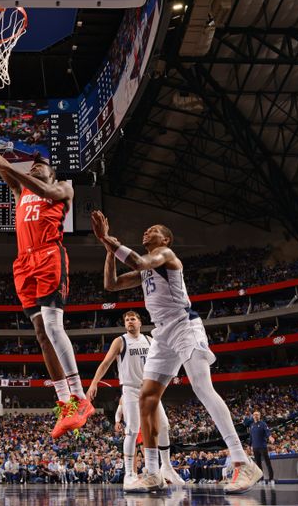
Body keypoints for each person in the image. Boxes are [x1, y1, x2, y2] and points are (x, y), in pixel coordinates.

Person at [90, 211, 262, 493]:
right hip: (162, 333)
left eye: (153, 229)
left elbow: (142, 260)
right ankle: (154, 472)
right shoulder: (145, 270)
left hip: (185, 326)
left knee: (202, 388)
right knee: (146, 398)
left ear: (165, 238)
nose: (146, 231)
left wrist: (106, 239)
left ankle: (243, 462)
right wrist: (108, 249)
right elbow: (111, 284)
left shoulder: (166, 255)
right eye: (146, 229)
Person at [0, 106, 94, 438]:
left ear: (51, 173)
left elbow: (46, 191)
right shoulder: (20, 192)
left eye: (41, 166)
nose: (35, 168)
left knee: (53, 325)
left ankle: (80, 396)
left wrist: (10, 166)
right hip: (23, 262)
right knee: (40, 334)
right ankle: (64, 403)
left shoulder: (62, 189)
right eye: (31, 166)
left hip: (50, 255)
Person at [87, 310, 184, 487]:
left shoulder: (149, 340)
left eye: (133, 319)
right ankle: (129, 474)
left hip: (150, 388)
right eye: (126, 320)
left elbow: (162, 361)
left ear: (140, 322)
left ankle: (167, 468)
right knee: (132, 429)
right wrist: (94, 383)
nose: (129, 321)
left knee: (163, 425)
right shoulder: (120, 341)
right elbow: (106, 363)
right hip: (131, 389)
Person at [249, 411, 275, 485]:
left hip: (263, 447)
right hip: (255, 448)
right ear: (253, 416)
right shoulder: (251, 425)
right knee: (258, 464)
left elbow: (267, 432)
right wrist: (249, 445)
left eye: (257, 414)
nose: (256, 416)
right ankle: (261, 479)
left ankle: (271, 479)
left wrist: (270, 437)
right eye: (254, 415)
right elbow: (251, 437)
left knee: (267, 463)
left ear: (260, 416)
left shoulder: (263, 424)